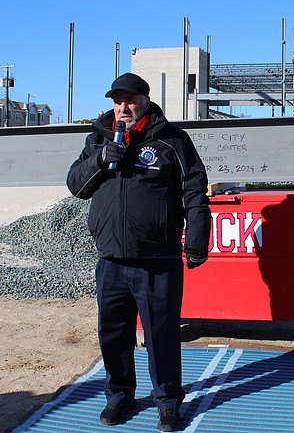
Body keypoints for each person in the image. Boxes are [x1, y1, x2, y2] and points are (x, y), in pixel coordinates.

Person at [66, 72, 211, 432]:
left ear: (145, 100)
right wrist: (100, 159)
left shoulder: (172, 141)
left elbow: (194, 192)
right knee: (113, 334)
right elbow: (75, 186)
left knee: (161, 335)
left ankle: (167, 402)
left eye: (129, 100)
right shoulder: (99, 139)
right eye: (117, 100)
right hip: (111, 259)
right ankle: (120, 396)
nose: (123, 107)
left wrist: (196, 239)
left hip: (157, 260)